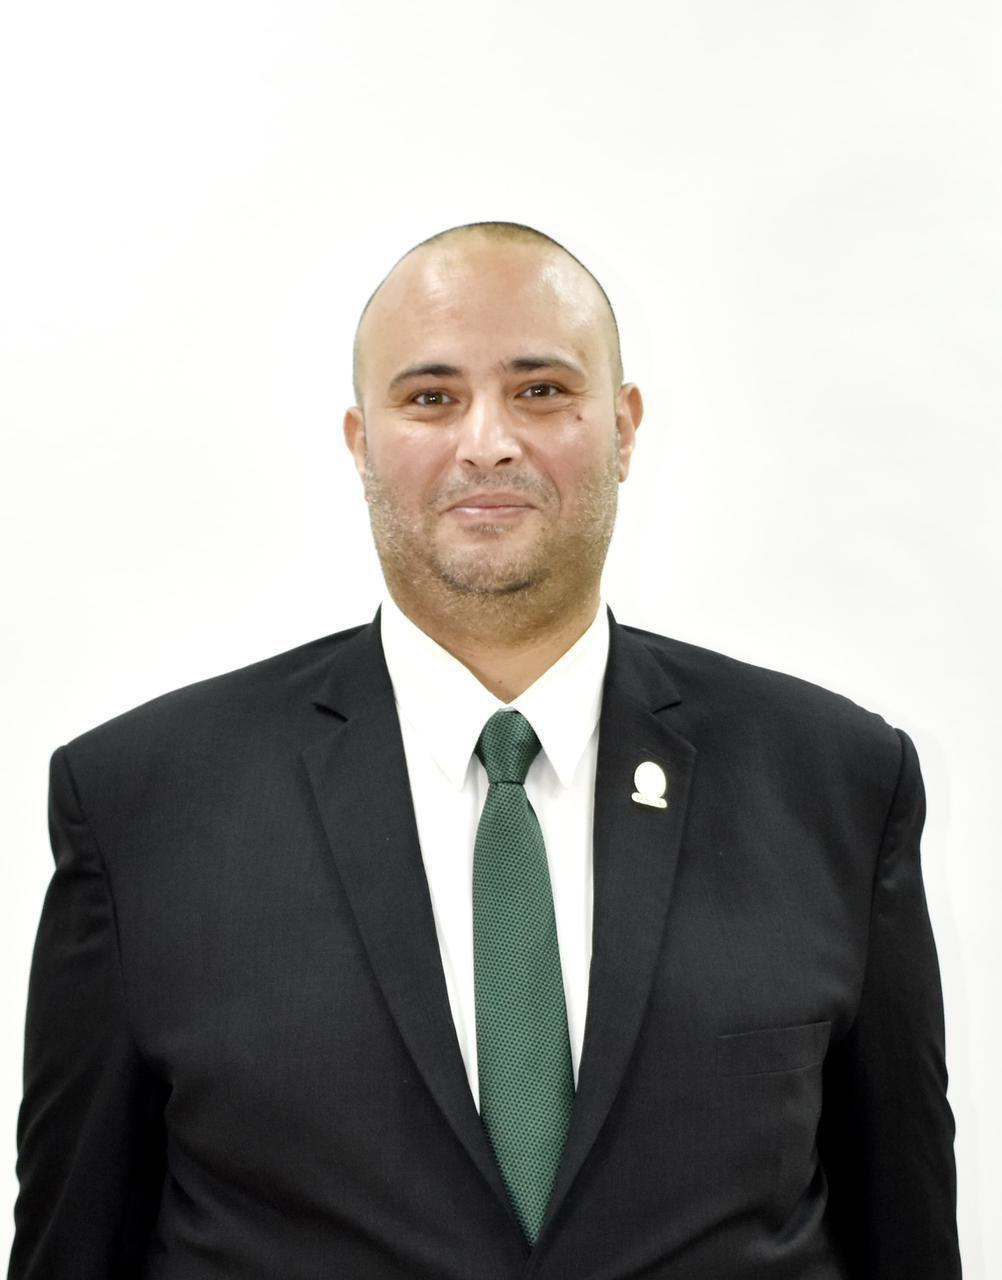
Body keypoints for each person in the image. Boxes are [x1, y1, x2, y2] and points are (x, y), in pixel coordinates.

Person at [7, 220, 961, 1279]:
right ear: (361, 442)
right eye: (431, 398)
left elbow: (907, 1231)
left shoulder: (835, 784)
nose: (488, 441)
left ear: (624, 427)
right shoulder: (145, 808)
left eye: (541, 390)